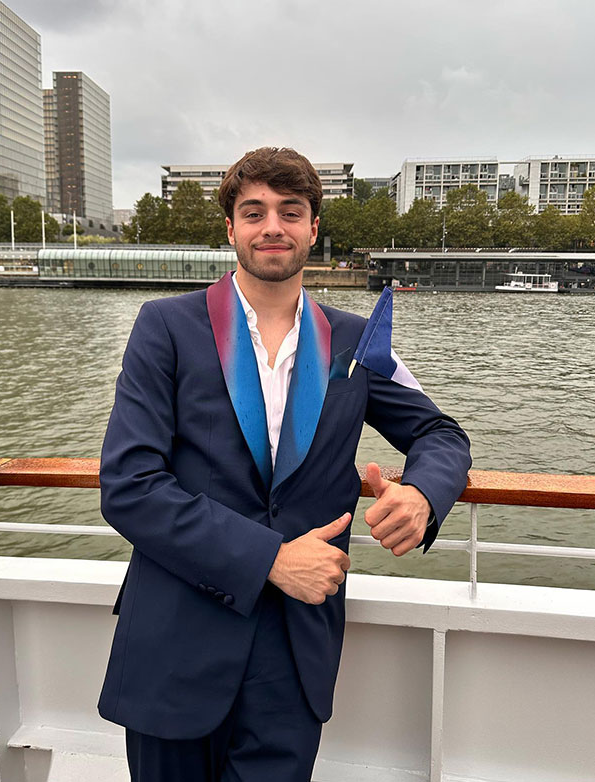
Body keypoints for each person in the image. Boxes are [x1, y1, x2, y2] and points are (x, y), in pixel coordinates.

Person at [97, 147, 471, 782]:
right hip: (177, 635)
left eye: (290, 212)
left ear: (313, 228)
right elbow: (129, 486)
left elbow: (439, 432)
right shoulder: (165, 326)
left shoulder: (356, 343)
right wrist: (269, 558)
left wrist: (424, 495)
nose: (273, 226)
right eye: (254, 212)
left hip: (293, 654)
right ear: (231, 229)